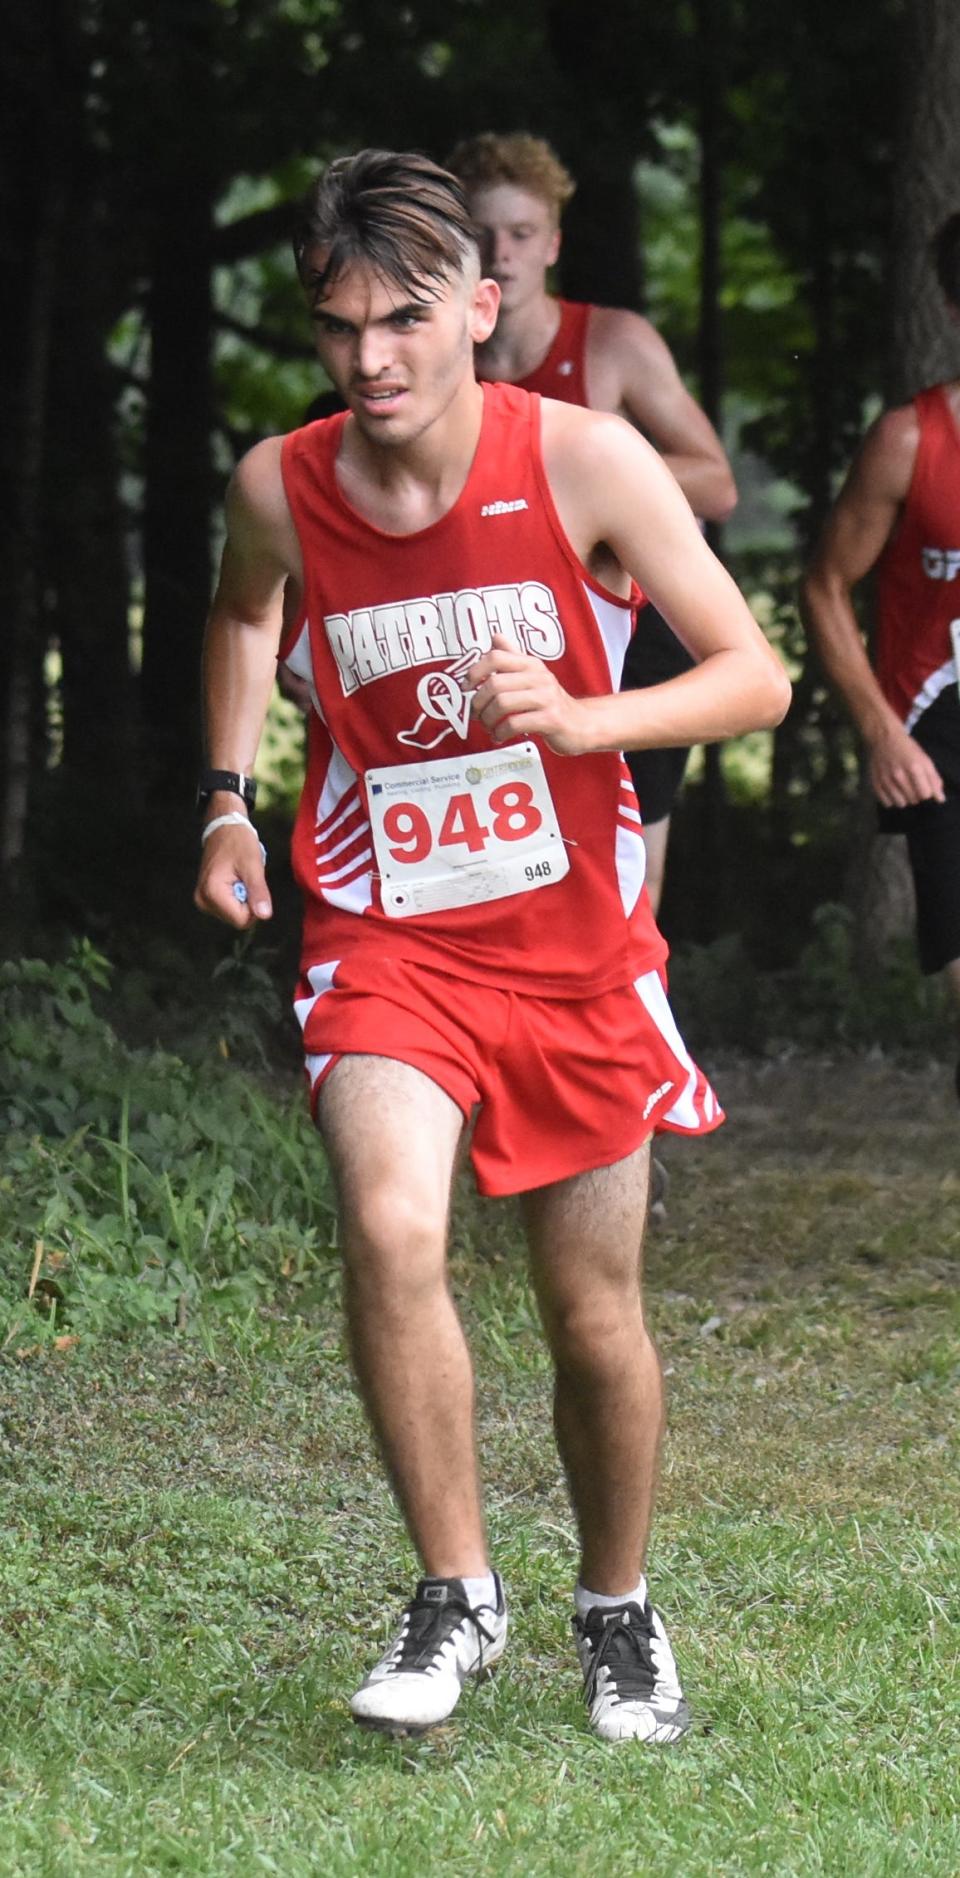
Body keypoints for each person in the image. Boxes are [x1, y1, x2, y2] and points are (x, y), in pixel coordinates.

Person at [194, 148, 790, 1745]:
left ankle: (618, 1606)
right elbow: (246, 612)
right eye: (337, 327)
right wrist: (226, 802)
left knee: (591, 1312)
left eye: (402, 318)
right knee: (391, 1226)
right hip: (388, 934)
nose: (371, 358)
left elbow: (756, 678)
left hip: (578, 948)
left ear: (483, 302)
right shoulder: (282, 484)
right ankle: (456, 1593)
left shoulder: (588, 461)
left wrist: (587, 713)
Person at [448, 131, 738, 917]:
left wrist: (581, 488)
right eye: (481, 233)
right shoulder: (432, 361)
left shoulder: (610, 344)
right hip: (499, 627)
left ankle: (640, 1024)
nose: (500, 252)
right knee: (501, 859)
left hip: (636, 627)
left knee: (629, 865)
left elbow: (716, 485)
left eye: (520, 234)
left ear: (553, 244)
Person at [801, 213, 960, 1097]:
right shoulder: (911, 438)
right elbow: (825, 584)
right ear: (952, 305)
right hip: (942, 731)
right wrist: (882, 732)